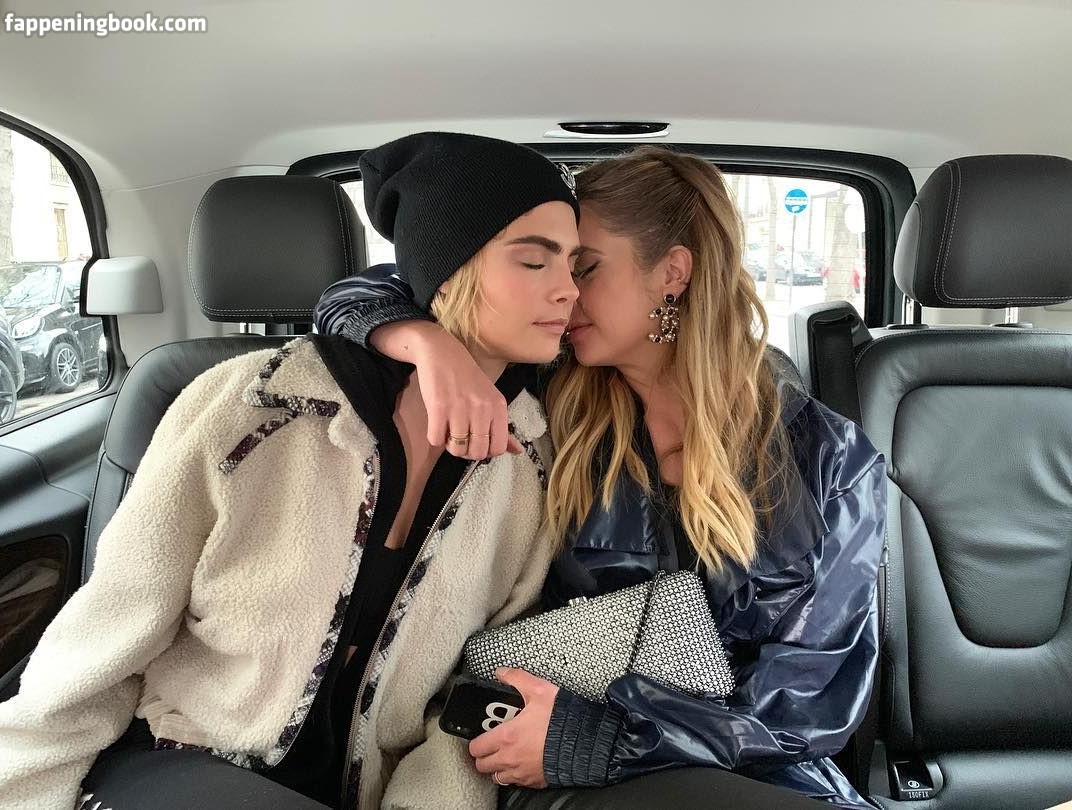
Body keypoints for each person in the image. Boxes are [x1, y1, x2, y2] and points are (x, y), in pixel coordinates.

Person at [0, 132, 583, 810]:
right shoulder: (250, 405)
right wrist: (20, 789)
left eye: (575, 264)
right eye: (533, 261)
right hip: (187, 756)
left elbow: (479, 680)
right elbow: (112, 625)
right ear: (446, 271)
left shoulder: (531, 459)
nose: (568, 290)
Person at [313, 145, 887, 809]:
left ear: (672, 272)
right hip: (548, 765)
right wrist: (430, 346)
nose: (562, 291)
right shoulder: (546, 395)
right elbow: (352, 296)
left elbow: (809, 708)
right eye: (548, 264)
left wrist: (606, 739)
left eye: (583, 267)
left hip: (754, 774)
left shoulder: (828, 457)